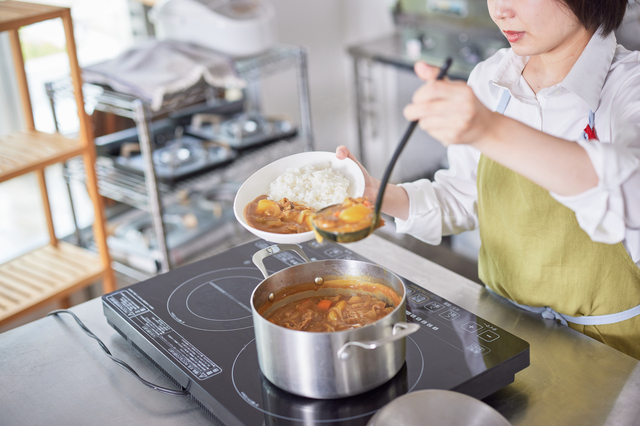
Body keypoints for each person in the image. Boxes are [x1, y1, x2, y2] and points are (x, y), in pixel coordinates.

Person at [337, 0, 640, 360]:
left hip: (607, 352)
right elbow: (463, 195)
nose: (499, 11)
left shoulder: (628, 88)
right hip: (504, 330)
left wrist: (489, 130)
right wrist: (380, 195)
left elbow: (629, 190)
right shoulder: (491, 79)